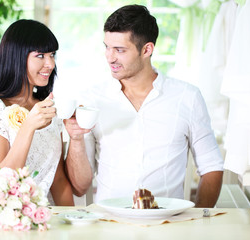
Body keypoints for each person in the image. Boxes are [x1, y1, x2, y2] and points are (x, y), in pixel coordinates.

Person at [64, 5, 224, 207]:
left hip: (167, 225)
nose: (110, 57)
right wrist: (76, 139)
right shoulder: (91, 100)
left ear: (147, 49)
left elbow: (212, 166)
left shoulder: (187, 97)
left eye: (120, 50)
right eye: (107, 47)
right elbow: (80, 186)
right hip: (109, 226)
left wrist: (199, 219)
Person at [0, 19, 74, 206]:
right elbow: (1, 185)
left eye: (52, 54)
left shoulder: (47, 109)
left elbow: (59, 182)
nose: (50, 64)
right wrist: (28, 126)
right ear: (16, 56)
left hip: (39, 220)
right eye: (40, 55)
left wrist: (74, 224)